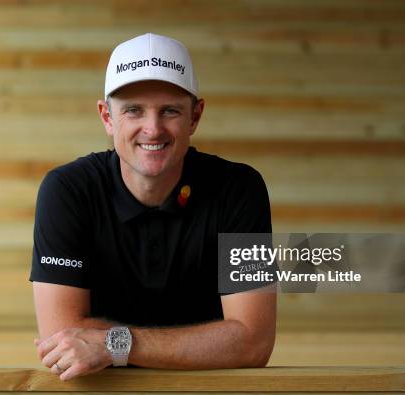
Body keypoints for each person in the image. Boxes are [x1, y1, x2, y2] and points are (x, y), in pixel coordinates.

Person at [29, 33, 276, 381]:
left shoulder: (239, 190)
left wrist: (115, 345)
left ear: (195, 116)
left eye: (170, 110)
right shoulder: (68, 191)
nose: (153, 128)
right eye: (133, 110)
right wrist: (203, 342)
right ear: (107, 117)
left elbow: (253, 342)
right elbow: (63, 338)